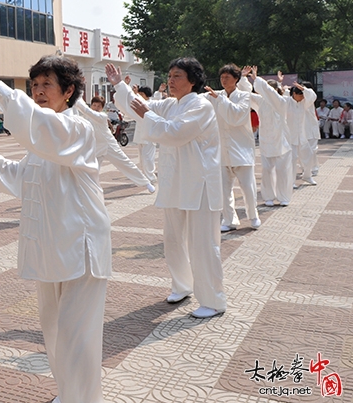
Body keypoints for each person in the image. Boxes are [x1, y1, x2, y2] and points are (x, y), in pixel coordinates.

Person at [0, 57, 111, 403]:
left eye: (47, 85)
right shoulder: (46, 138)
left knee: (78, 336)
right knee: (55, 330)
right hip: (52, 246)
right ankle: (69, 394)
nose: (39, 92)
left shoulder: (77, 130)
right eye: (35, 85)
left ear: (69, 91)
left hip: (81, 246)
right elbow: (26, 175)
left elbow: (40, 128)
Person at [108, 59, 225, 319]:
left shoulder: (201, 105)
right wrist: (120, 86)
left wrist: (147, 115)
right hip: (175, 182)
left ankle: (214, 300)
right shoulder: (171, 104)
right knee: (173, 240)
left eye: (177, 76)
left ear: (192, 80)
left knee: (202, 245)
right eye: (169, 75)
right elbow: (139, 107)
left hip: (200, 184)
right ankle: (182, 285)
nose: (171, 80)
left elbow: (175, 132)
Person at [203, 64, 260, 232]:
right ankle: (229, 220)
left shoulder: (244, 96)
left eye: (227, 77)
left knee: (248, 187)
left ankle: (253, 216)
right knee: (223, 189)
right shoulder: (214, 95)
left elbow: (236, 116)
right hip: (221, 150)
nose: (223, 80)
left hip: (241, 150)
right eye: (222, 77)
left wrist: (220, 100)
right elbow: (197, 101)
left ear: (236, 79)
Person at [75, 94, 155, 193]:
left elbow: (86, 110)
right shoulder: (86, 117)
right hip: (95, 146)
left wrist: (77, 96)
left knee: (125, 163)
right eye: (94, 105)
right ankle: (90, 190)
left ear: (102, 108)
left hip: (109, 145)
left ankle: (146, 183)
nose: (96, 108)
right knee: (91, 169)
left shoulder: (102, 116)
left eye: (98, 106)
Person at [244, 66, 293, 206]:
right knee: (267, 170)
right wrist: (242, 79)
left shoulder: (283, 101)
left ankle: (284, 196)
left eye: (270, 88)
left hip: (282, 140)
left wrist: (257, 80)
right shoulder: (260, 102)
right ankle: (268, 196)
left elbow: (270, 93)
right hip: (266, 140)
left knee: (282, 170)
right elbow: (245, 93)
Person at [284, 76, 318, 186]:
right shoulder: (286, 102)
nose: (303, 97)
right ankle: (291, 181)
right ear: (294, 94)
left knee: (308, 156)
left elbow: (312, 96)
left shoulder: (304, 103)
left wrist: (304, 89)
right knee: (292, 159)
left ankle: (307, 176)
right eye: (301, 95)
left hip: (302, 136)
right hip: (290, 136)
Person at [132, 85, 159, 183]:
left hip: (150, 136)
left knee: (148, 159)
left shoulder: (151, 104)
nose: (140, 96)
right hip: (140, 136)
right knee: (142, 159)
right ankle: (145, 177)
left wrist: (134, 94)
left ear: (147, 96)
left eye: (142, 94)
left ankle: (151, 178)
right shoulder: (139, 106)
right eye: (139, 94)